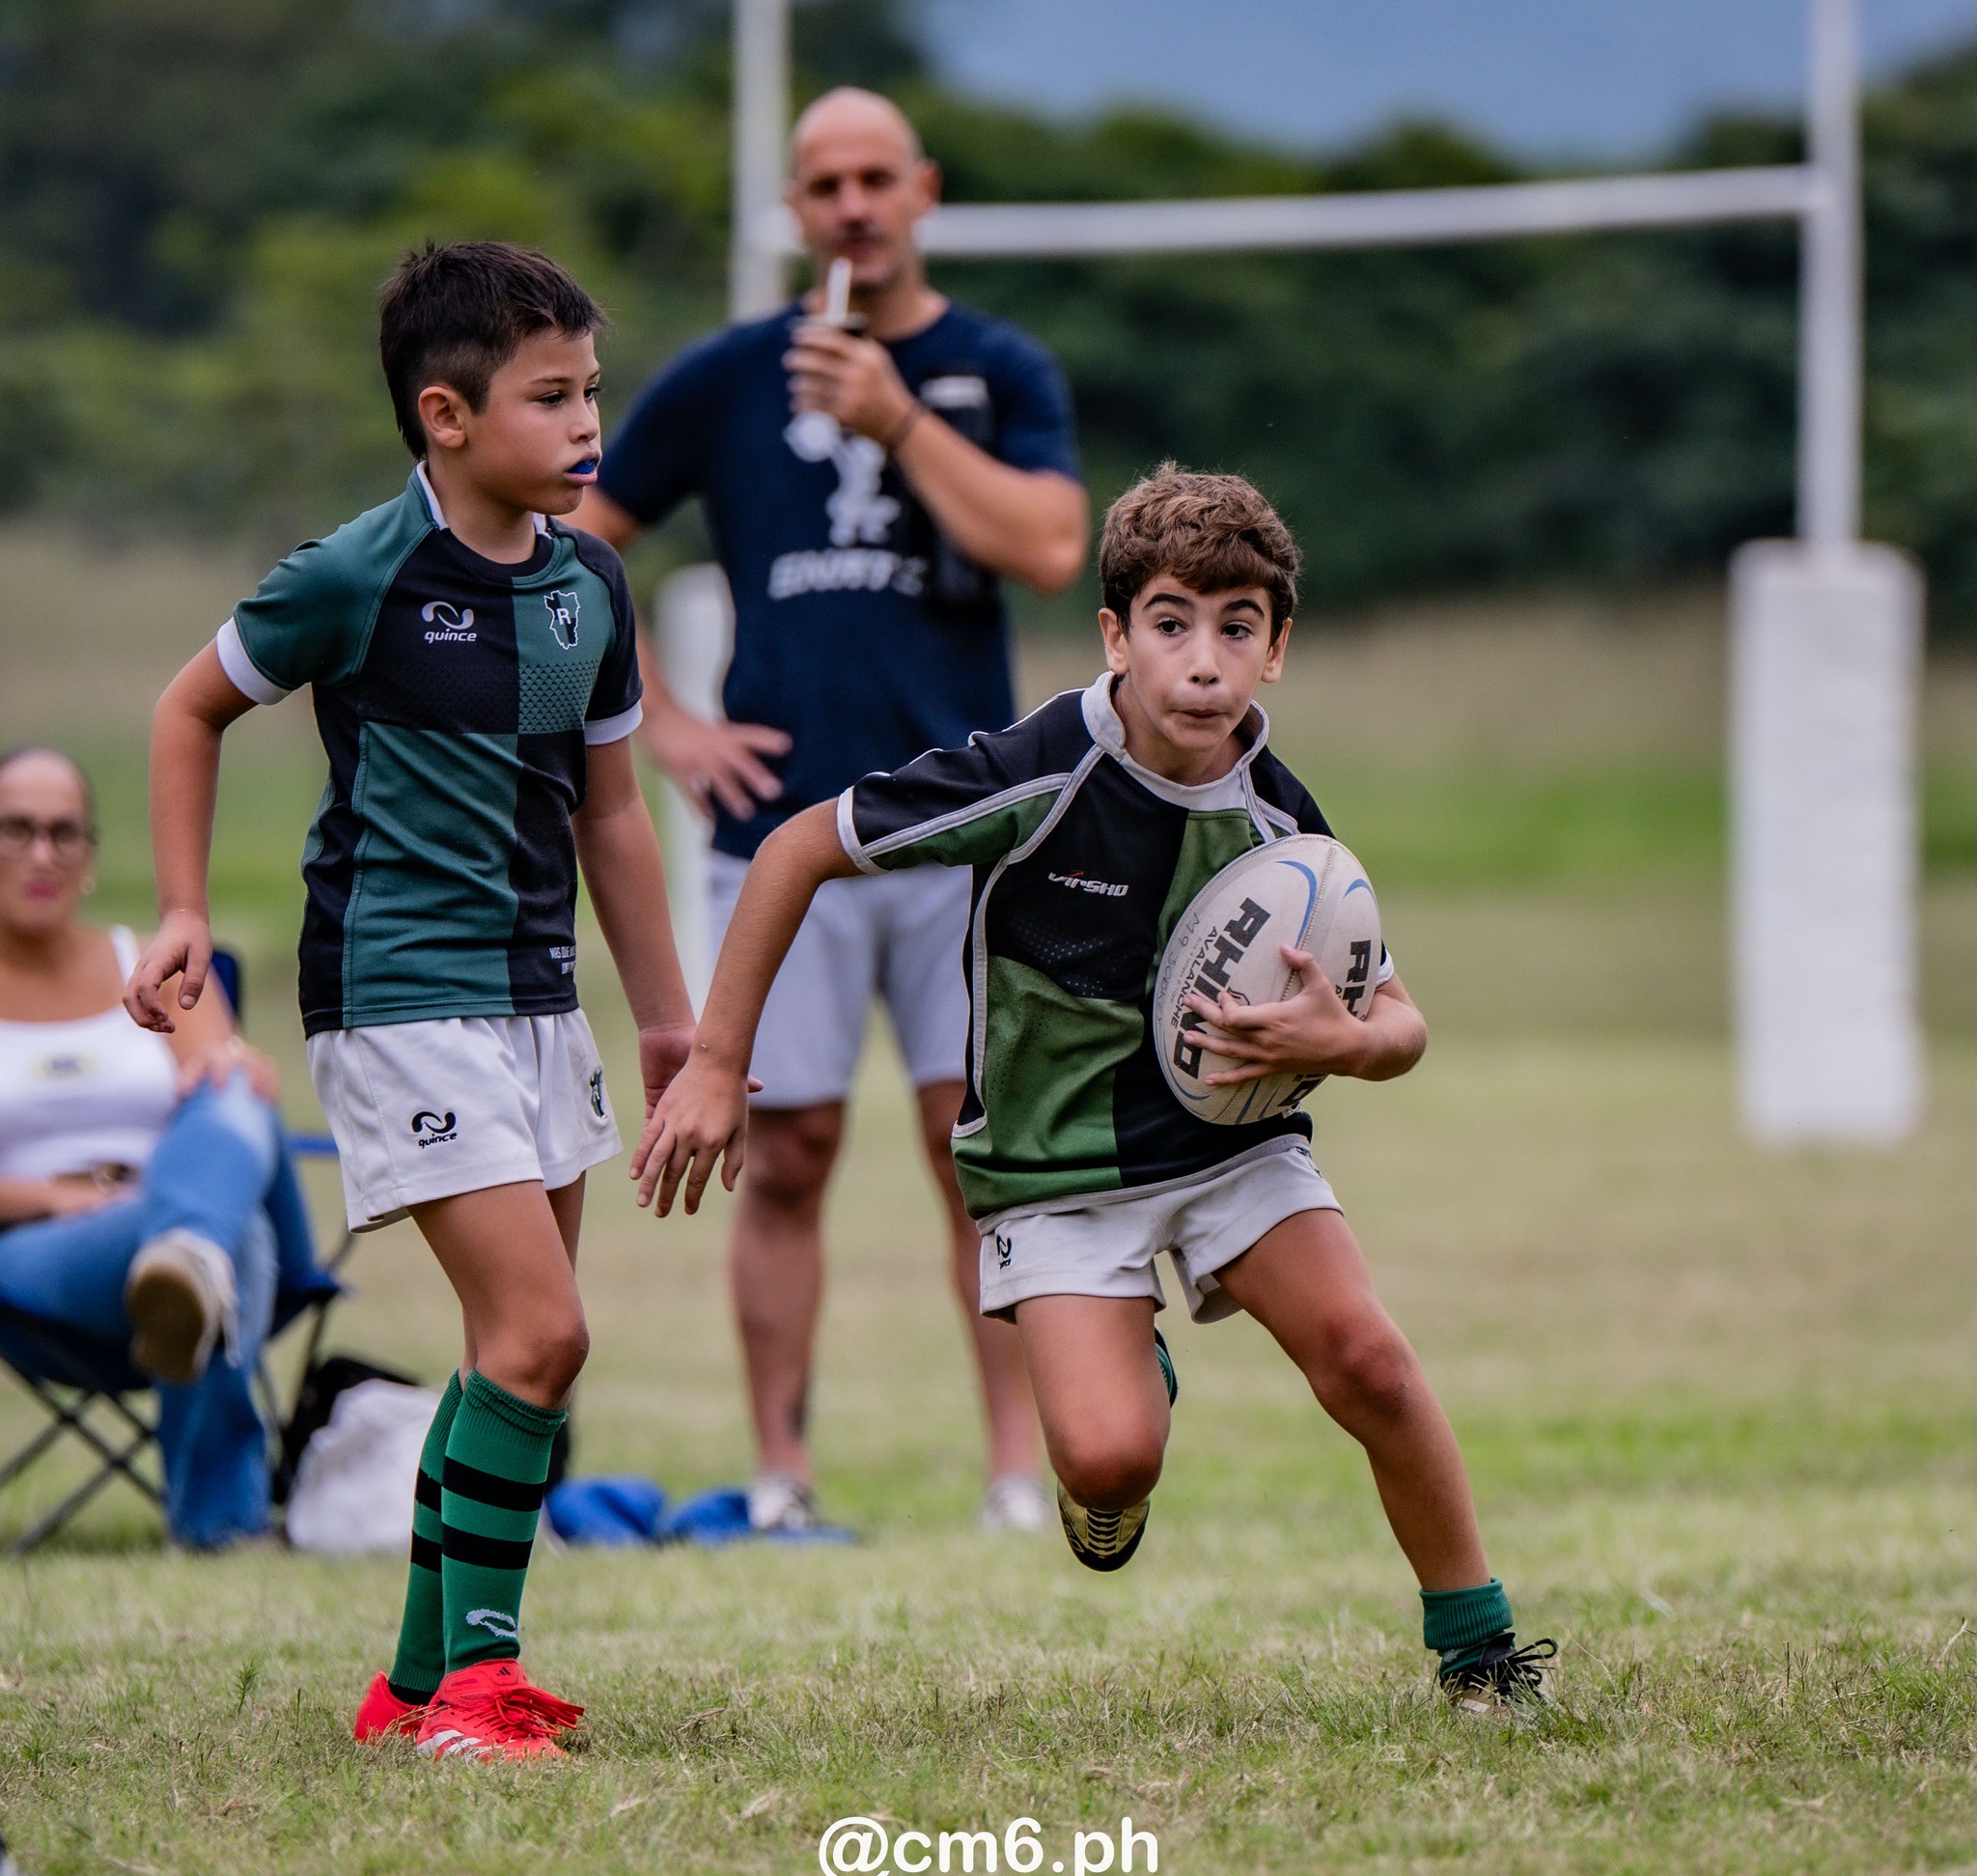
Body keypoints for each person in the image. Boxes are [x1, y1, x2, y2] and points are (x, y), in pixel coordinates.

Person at [633, 465, 1556, 1709]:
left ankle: (1480, 1649)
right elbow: (799, 846)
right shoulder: (1035, 771)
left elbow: (1400, 1025)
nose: (1201, 661)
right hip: (1054, 1171)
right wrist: (715, 1062)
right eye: (1170, 621)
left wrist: (1334, 1041)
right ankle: (1123, 1385)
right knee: (1111, 1460)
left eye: (1238, 627)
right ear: (1115, 632)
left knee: (1369, 1361)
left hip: (1234, 1141)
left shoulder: (1282, 826)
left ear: (1276, 648)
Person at [125, 241, 696, 1760]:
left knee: (511, 1349)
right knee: (541, 1333)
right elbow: (191, 706)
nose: (591, 426)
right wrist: (185, 906)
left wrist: (664, 1015)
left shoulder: (593, 583)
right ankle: (481, 1695)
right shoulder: (357, 573)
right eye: (553, 397)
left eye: (595, 391)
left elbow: (616, 814)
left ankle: (413, 1686)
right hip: (396, 995)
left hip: (535, 997)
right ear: (445, 415)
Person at [572, 87, 1087, 1537]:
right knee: (783, 1153)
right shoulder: (732, 377)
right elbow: (571, 543)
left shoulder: (991, 368)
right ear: (795, 210)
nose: (855, 204)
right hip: (778, 835)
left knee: (973, 1152)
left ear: (923, 189)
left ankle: (1011, 1472)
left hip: (967, 830)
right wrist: (661, 721)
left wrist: (895, 414)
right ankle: (782, 1473)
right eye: (825, 183)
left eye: (878, 177)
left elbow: (1049, 546)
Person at [0, 745, 314, 1550]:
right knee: (227, 1235)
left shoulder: (148, 965)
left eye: (64, 832)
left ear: (91, 857)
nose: (42, 853)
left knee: (232, 1085)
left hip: (171, 1204)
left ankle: (187, 1252)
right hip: (35, 1254)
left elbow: (225, 1085)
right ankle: (219, 1528)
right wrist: (55, 1196)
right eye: (18, 829)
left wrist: (235, 1064)